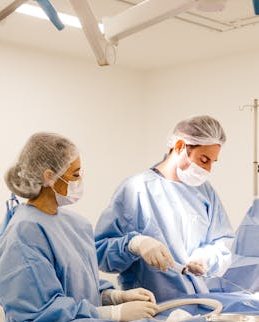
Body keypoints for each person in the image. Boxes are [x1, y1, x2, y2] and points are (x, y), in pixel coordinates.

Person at [0, 132, 157, 322]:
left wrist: (115, 297)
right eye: (75, 174)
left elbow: (81, 288)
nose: (80, 180)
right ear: (50, 176)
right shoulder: (24, 232)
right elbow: (43, 313)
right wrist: (113, 314)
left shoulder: (76, 224)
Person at [94, 115, 234, 300]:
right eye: (203, 159)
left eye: (212, 162)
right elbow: (100, 253)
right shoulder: (136, 190)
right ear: (179, 147)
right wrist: (134, 245)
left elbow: (222, 240)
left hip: (199, 304)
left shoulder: (205, 192)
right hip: (150, 307)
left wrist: (205, 257)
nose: (208, 170)